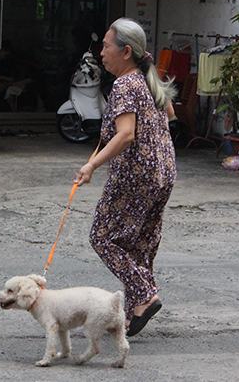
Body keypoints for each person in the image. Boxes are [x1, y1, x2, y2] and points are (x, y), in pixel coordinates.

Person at [75, 18, 177, 337]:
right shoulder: (149, 79)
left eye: (106, 46)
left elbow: (125, 135)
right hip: (163, 171)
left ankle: (145, 294)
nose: (101, 52)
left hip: (137, 174)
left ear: (126, 51)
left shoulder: (125, 84)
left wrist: (91, 166)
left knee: (102, 236)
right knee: (139, 242)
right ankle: (135, 311)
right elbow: (170, 114)